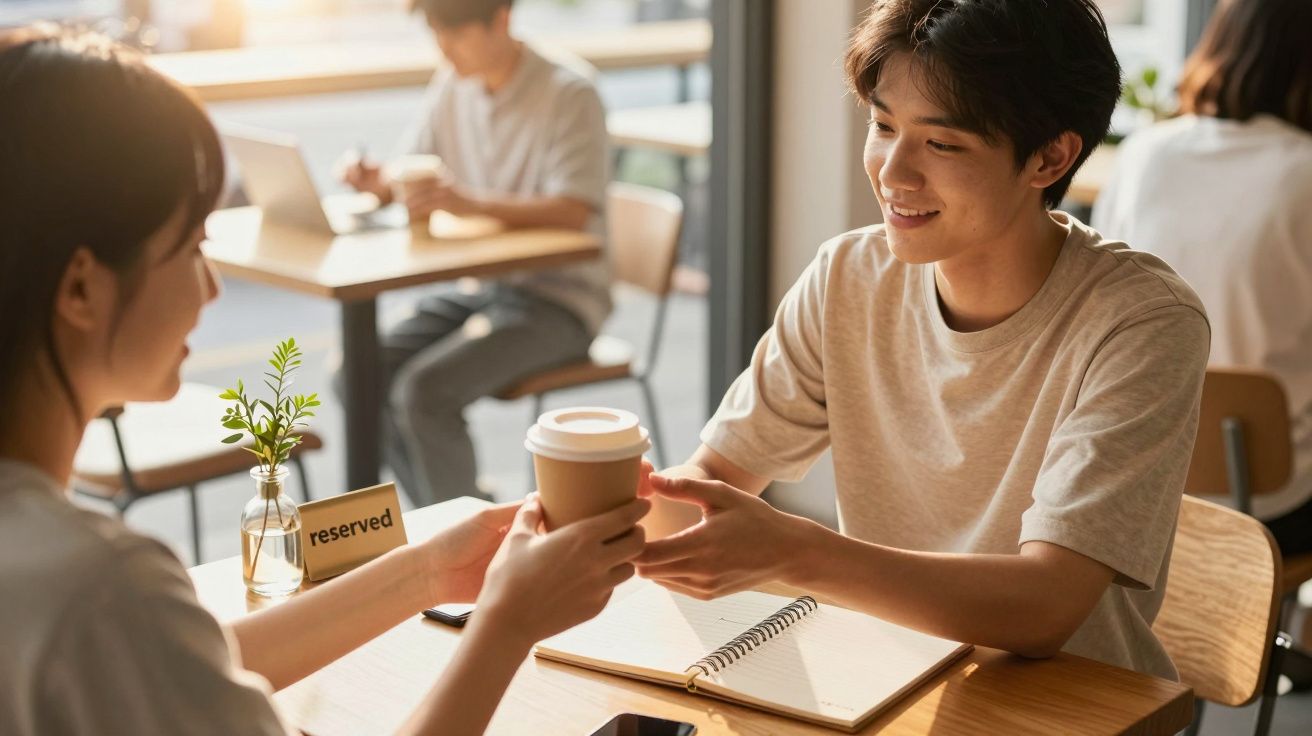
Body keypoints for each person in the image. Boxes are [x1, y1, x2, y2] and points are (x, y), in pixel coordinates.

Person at [0, 26, 645, 735]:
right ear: (82, 289)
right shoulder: (101, 591)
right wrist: (508, 624)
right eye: (193, 247)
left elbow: (188, 668)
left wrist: (429, 570)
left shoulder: (81, 596)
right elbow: (149, 647)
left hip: (546, 301)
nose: (211, 290)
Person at [633, 0, 1210, 681]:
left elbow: (1048, 606)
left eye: (941, 143)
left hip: (1068, 707)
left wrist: (798, 554)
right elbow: (707, 486)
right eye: (883, 126)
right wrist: (588, 517)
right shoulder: (847, 277)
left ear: (1049, 158)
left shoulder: (1140, 321)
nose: (892, 173)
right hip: (886, 684)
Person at [340, 0, 611, 507]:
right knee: (355, 376)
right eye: (436, 33)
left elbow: (574, 210)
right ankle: (447, 514)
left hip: (561, 303)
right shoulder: (451, 83)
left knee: (423, 393)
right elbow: (412, 169)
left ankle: (465, 537)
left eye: (455, 34)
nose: (444, 48)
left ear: (502, 19)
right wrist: (378, 183)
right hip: (486, 289)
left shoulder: (569, 92)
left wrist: (465, 200)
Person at [1093, 0, 1312, 556]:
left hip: (1130, 478)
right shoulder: (1305, 170)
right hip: (1272, 504)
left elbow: (1097, 298)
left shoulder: (1143, 153)